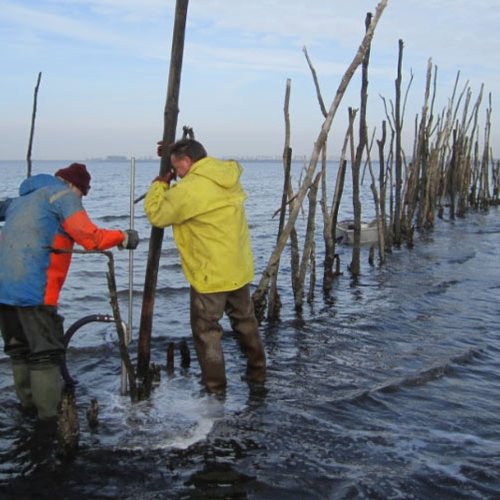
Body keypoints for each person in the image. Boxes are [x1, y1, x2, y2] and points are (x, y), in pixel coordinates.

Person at [0, 163, 139, 420]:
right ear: (73, 185)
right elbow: (90, 237)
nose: (80, 200)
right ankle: (48, 420)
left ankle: (27, 409)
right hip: (36, 292)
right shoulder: (62, 197)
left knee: (19, 351)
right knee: (45, 355)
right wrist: (124, 236)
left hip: (4, 292)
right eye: (81, 194)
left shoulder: (20, 201)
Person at [144, 139, 266, 394]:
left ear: (187, 163)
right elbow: (193, 187)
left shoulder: (189, 189)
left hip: (210, 275)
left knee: (207, 332)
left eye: (177, 169)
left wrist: (158, 186)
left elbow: (157, 215)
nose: (176, 174)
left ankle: (215, 389)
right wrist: (171, 156)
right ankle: (258, 373)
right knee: (246, 322)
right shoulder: (226, 175)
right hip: (238, 268)